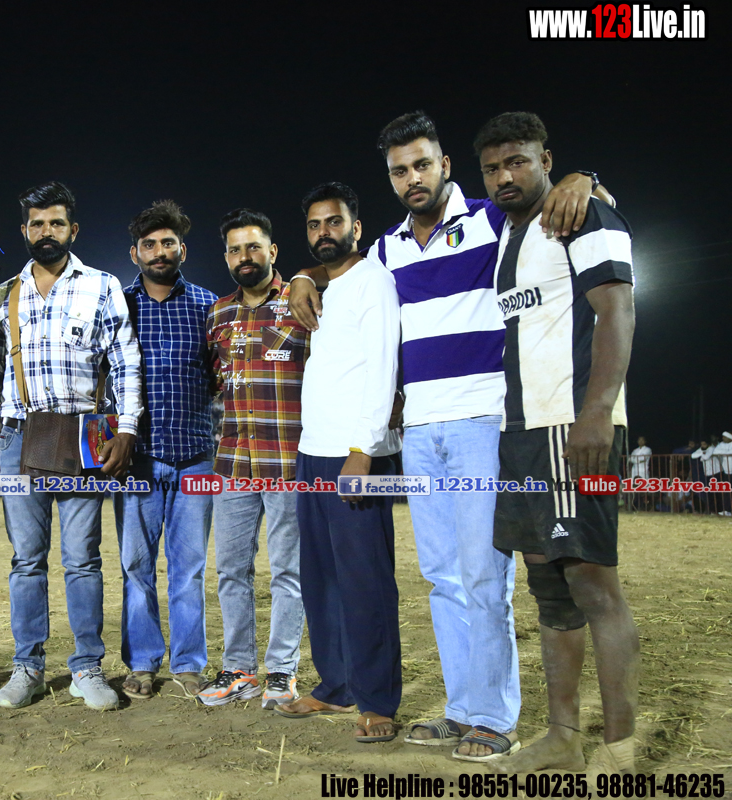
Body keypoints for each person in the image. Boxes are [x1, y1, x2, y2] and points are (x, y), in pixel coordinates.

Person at [288, 111, 607, 761]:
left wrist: (584, 177)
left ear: (445, 166)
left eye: (422, 165)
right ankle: (462, 708)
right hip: (420, 430)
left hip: (482, 422)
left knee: (483, 574)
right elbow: (339, 269)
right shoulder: (387, 249)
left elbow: (562, 200)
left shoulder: (491, 219)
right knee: (441, 577)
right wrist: (301, 275)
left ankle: (494, 717)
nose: (412, 178)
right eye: (399, 170)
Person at [472, 112, 639, 776]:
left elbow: (617, 308)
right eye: (492, 168)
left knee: (592, 582)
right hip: (520, 432)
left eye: (517, 161)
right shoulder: (509, 235)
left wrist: (595, 413)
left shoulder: (581, 213)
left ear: (546, 160)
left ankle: (619, 747)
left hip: (572, 426)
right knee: (547, 586)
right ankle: (563, 737)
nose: (504, 176)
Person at [0, 181, 142, 712]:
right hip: (20, 436)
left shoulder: (102, 285)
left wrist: (127, 429)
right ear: (24, 230)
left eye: (56, 223)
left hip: (84, 436)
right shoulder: (4, 294)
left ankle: (86, 667)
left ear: (72, 229)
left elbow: (125, 361)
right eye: (37, 223)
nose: (46, 231)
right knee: (26, 560)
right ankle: (29, 666)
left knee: (82, 558)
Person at [273, 182, 403, 743]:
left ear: (356, 226)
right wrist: (302, 276)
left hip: (356, 455)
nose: (324, 232)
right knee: (321, 579)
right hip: (313, 450)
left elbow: (382, 368)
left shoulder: (374, 280)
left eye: (334, 222)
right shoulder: (324, 286)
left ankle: (377, 700)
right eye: (314, 224)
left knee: (365, 581)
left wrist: (362, 451)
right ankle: (336, 684)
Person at [199, 208, 307, 710]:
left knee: (288, 571)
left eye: (253, 247)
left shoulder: (301, 302)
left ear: (272, 251)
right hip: (233, 463)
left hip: (288, 459)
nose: (245, 257)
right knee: (230, 571)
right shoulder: (218, 315)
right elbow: (213, 380)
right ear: (226, 258)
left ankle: (282, 670)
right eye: (235, 249)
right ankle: (239, 669)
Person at [113, 200, 219, 700]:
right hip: (137, 460)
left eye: (168, 243)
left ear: (183, 250)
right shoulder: (119, 306)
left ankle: (189, 662)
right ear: (135, 253)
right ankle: (142, 662)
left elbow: (219, 375)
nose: (159, 251)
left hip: (195, 454)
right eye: (150, 244)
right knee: (137, 566)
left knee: (189, 568)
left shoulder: (207, 305)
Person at [628, 437, 652, 512]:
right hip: (635, 470)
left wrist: (634, 460)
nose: (640, 441)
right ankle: (634, 506)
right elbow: (630, 459)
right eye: (639, 440)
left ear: (645, 441)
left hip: (643, 470)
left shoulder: (648, 449)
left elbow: (643, 459)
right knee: (634, 488)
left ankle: (645, 506)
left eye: (642, 440)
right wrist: (636, 460)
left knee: (644, 488)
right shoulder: (635, 450)